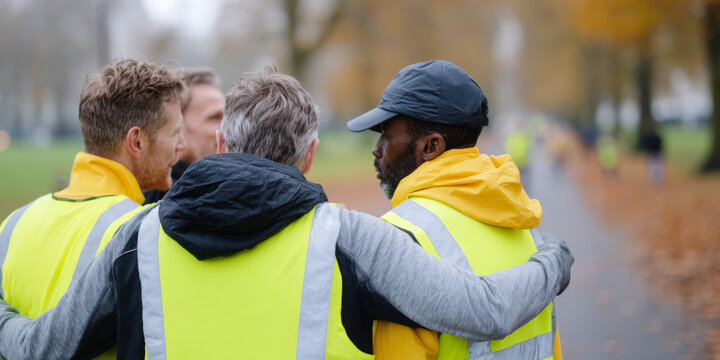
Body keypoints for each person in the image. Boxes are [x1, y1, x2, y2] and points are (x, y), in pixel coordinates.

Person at [0, 66, 573, 360]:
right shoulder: (353, 239)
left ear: (221, 143)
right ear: (310, 155)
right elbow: (485, 309)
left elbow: (37, 349)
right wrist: (555, 257)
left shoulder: (133, 241)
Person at [347, 60, 562, 359]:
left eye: (385, 134)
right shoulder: (522, 225)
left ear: (430, 147)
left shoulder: (401, 240)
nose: (377, 148)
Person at [0, 58, 185, 359]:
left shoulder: (11, 225)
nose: (182, 146)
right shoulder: (146, 236)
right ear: (136, 141)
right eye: (175, 134)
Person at [143, 67, 224, 203]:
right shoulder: (166, 204)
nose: (227, 128)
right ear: (177, 126)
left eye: (228, 117)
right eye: (214, 118)